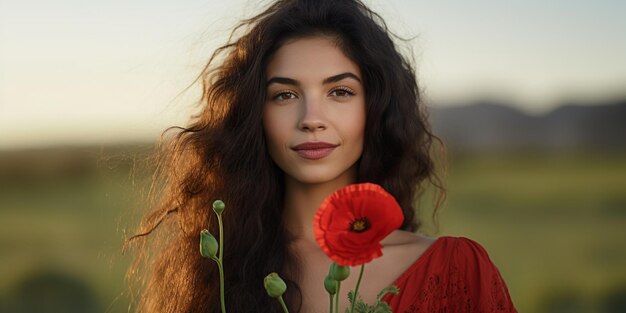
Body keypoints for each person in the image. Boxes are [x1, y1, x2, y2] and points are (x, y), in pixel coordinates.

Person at [126, 0, 517, 312]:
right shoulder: (217, 271)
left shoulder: (458, 270)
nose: (312, 119)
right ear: (253, 116)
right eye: (285, 95)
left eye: (340, 92)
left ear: (375, 108)